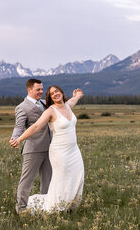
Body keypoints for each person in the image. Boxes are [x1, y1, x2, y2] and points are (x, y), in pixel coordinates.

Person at [9, 85, 84, 213]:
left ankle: (70, 205)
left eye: (57, 91)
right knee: (62, 179)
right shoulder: (50, 111)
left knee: (77, 177)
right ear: (50, 98)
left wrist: (77, 95)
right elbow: (36, 126)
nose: (55, 94)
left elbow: (72, 101)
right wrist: (19, 139)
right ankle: (56, 207)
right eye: (52, 94)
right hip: (60, 152)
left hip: (74, 151)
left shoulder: (67, 106)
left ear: (61, 92)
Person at [11, 78, 52, 213]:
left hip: (50, 148)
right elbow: (19, 126)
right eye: (38, 89)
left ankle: (46, 206)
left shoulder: (46, 104)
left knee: (48, 179)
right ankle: (21, 209)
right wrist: (15, 138)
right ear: (29, 90)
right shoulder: (22, 107)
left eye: (42, 89)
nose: (41, 92)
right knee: (27, 181)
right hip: (33, 149)